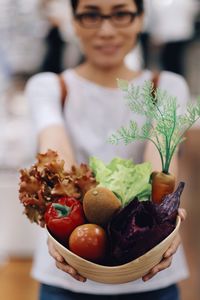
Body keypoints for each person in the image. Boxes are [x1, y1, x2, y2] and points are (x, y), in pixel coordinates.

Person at [25, 0, 189, 299]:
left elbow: (160, 163)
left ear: (140, 19)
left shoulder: (167, 86)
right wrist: (62, 232)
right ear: (73, 22)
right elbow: (55, 153)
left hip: (149, 273)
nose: (106, 30)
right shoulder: (48, 87)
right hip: (67, 272)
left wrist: (166, 224)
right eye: (90, 15)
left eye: (121, 14)